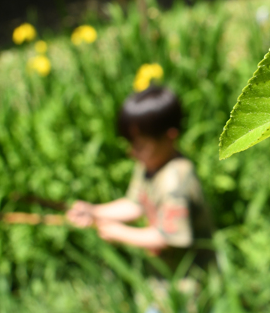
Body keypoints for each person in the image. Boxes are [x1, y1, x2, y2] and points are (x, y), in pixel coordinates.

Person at [66, 85, 212, 258]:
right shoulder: (148, 164)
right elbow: (135, 204)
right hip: (164, 270)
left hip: (189, 277)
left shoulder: (175, 181)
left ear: (169, 137)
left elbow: (169, 237)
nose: (131, 152)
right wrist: (94, 211)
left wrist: (119, 233)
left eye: (140, 146)